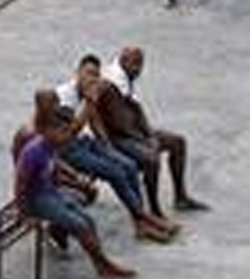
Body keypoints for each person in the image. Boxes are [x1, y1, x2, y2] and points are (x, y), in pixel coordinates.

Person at [53, 57, 179, 242]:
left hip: (86, 142)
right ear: (77, 72)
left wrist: (107, 147)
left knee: (128, 166)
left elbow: (94, 121)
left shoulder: (89, 91)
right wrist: (89, 103)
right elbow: (69, 133)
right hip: (66, 150)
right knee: (116, 173)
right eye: (88, 73)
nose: (92, 78)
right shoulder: (64, 97)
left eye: (96, 75)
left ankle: (141, 223)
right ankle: (143, 219)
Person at [14, 109, 135, 279]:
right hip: (36, 199)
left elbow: (53, 169)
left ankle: (104, 264)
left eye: (68, 132)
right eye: (62, 131)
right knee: (80, 226)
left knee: (88, 221)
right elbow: (20, 184)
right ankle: (102, 269)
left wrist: (70, 183)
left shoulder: (51, 146)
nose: (66, 136)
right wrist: (25, 214)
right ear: (47, 130)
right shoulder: (33, 152)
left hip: (51, 192)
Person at [102, 46, 209, 213]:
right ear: (123, 61)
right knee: (151, 159)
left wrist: (149, 133)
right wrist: (146, 140)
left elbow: (137, 108)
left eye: (141, 64)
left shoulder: (125, 75)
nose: (139, 70)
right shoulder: (111, 84)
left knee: (177, 142)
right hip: (115, 138)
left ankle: (180, 197)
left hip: (131, 131)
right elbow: (119, 126)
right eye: (135, 64)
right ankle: (154, 209)